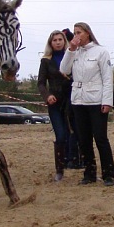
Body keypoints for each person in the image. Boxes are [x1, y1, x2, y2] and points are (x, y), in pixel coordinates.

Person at [60, 22, 114, 187]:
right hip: (78, 100)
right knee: (83, 140)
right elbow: (64, 69)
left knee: (100, 138)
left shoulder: (101, 52)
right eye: (75, 32)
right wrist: (70, 50)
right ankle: (89, 173)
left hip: (96, 100)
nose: (76, 36)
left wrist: (107, 101)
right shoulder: (74, 53)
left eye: (79, 32)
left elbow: (107, 78)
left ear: (88, 34)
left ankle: (109, 174)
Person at [37, 30, 74, 181]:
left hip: (72, 100)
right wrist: (47, 96)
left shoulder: (72, 57)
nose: (58, 42)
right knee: (60, 135)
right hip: (55, 102)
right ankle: (59, 169)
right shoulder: (45, 61)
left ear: (64, 41)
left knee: (74, 133)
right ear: (50, 43)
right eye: (54, 40)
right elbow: (40, 83)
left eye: (60, 39)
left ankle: (76, 161)